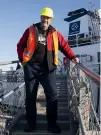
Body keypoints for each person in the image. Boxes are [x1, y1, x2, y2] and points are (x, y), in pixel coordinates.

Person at [17, 7, 79, 134]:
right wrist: (22, 60)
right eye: (43, 17)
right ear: (40, 17)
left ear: (51, 20)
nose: (45, 19)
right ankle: (31, 124)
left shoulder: (55, 33)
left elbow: (65, 46)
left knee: (52, 96)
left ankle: (52, 125)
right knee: (30, 97)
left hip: (48, 69)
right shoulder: (30, 30)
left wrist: (72, 56)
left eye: (48, 18)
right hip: (31, 68)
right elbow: (20, 45)